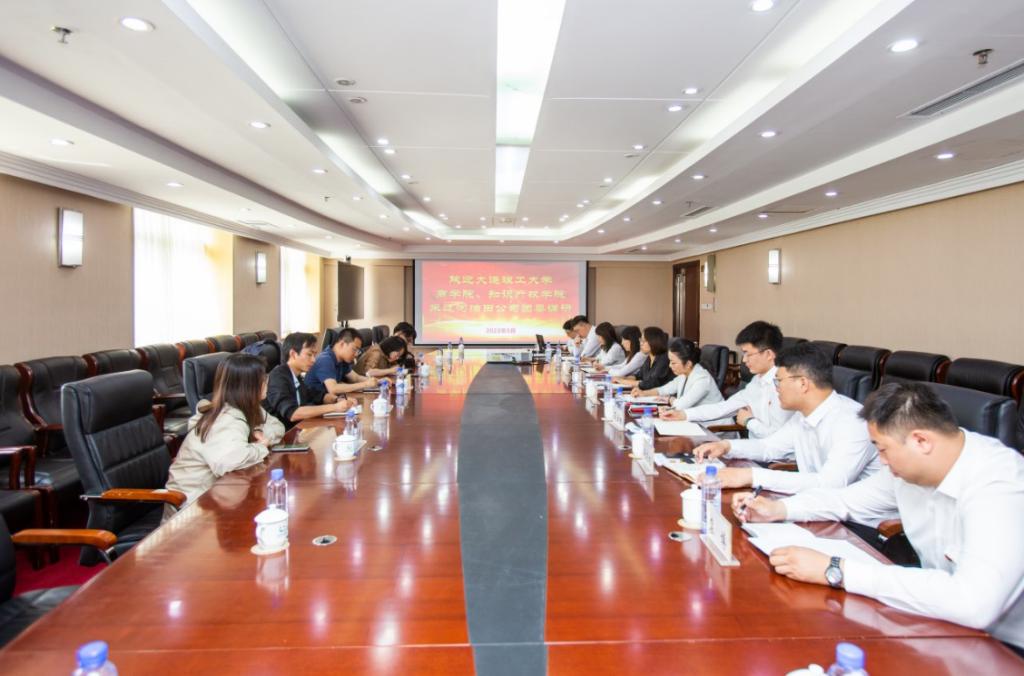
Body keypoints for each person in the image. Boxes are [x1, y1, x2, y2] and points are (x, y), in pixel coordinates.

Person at [733, 382, 1024, 652]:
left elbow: (973, 603)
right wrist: (778, 509)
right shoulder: (908, 469)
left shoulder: (1000, 483)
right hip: (938, 623)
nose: (881, 461)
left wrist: (836, 570)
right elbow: (845, 499)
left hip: (1004, 647)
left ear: (921, 441)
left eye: (883, 450)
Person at [693, 342, 882, 495]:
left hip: (859, 524)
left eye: (779, 381)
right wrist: (726, 446)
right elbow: (769, 447)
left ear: (803, 383)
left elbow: (829, 484)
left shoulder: (852, 422)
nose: (776, 388)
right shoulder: (802, 415)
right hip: (817, 506)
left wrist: (751, 476)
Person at [165, 353, 285, 510]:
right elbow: (231, 461)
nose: (267, 382)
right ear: (249, 385)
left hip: (222, 497)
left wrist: (258, 432)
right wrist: (261, 446)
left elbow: (278, 427)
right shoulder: (224, 419)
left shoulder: (248, 407)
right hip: (192, 509)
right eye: (264, 379)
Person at [674, 320, 792, 438]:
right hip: (754, 447)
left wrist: (749, 421)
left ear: (768, 354)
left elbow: (777, 438)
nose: (744, 360)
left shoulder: (784, 386)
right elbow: (724, 407)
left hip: (768, 449)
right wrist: (684, 414)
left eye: (747, 353)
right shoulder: (757, 381)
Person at [263, 332, 354, 430]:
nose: (314, 360)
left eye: (314, 355)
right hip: (282, 435)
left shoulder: (296, 376)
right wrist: (335, 407)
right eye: (309, 354)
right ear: (293, 354)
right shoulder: (278, 377)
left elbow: (315, 395)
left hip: (298, 430)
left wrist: (337, 399)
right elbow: (293, 413)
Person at [655, 339, 732, 426]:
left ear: (688, 364)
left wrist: (670, 399)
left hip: (716, 428)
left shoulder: (703, 379)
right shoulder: (684, 374)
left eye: (673, 363)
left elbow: (680, 405)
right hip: (697, 424)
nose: (669, 365)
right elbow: (665, 390)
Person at [305, 327, 378, 398]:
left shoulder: (343, 359)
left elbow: (355, 378)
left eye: (358, 351)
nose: (356, 354)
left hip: (331, 399)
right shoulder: (325, 359)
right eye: (354, 349)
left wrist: (376, 381)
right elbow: (333, 389)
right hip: (314, 402)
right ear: (342, 344)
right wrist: (365, 384)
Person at [615, 326, 672, 393]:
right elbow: (638, 376)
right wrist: (621, 379)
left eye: (643, 341)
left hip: (659, 396)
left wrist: (624, 381)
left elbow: (651, 384)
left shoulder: (664, 359)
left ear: (653, 342)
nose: (640, 343)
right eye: (640, 340)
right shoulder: (649, 358)